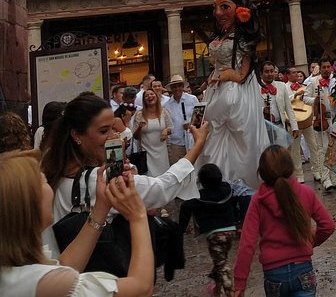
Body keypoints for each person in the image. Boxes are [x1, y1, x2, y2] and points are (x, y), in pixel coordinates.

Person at [40, 92, 210, 258]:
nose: (113, 137)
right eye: (103, 131)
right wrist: (198, 145)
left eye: (113, 129)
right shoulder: (96, 181)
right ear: (77, 135)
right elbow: (161, 188)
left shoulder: (54, 167)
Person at [0, 149, 154, 297]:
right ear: (27, 205)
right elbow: (141, 289)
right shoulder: (44, 281)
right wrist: (137, 216)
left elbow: (64, 266)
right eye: (44, 180)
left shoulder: (14, 272)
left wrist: (102, 206)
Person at [233, 146, 335, 297]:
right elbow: (328, 225)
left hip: (274, 274)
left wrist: (240, 283)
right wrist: (310, 240)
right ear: (290, 166)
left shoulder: (258, 200)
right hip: (303, 270)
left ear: (262, 172)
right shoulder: (306, 192)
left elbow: (247, 244)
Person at [196, 0, 270, 190]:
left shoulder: (244, 39)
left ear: (240, 10)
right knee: (213, 137)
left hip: (236, 92)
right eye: (215, 7)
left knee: (241, 139)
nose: (218, 12)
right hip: (216, 91)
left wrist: (227, 74)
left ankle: (243, 186)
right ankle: (216, 184)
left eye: (224, 7)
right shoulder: (222, 36)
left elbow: (241, 74)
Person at [179, 164, 245, 297]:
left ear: (202, 181)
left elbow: (185, 206)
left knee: (222, 264)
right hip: (230, 231)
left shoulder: (199, 197)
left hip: (214, 235)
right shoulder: (226, 189)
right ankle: (216, 288)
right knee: (221, 259)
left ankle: (230, 292)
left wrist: (181, 227)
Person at [303, 57, 336, 191]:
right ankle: (326, 179)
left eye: (328, 67)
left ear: (331, 67)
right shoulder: (313, 81)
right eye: (323, 67)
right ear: (320, 68)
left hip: (335, 119)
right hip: (321, 118)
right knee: (322, 149)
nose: (326, 69)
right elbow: (304, 97)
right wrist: (315, 99)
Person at [259, 61, 301, 180]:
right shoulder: (256, 88)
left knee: (282, 157)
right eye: (266, 71)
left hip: (280, 127)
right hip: (264, 129)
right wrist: (263, 110)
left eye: (271, 71)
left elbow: (289, 108)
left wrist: (294, 126)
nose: (269, 74)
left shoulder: (281, 86)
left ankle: (285, 181)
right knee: (268, 157)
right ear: (261, 73)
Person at [132, 88, 173, 177]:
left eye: (152, 94)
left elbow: (171, 127)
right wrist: (139, 128)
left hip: (162, 153)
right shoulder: (139, 114)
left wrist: (166, 130)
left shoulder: (164, 112)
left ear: (156, 96)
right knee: (150, 178)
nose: (149, 97)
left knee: (164, 177)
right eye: (146, 96)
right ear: (144, 100)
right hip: (146, 153)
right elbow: (135, 136)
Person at [163, 74, 200, 165]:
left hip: (192, 139)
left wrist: (191, 124)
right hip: (176, 141)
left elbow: (200, 117)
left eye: (179, 86)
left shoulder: (192, 99)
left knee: (194, 165)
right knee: (177, 167)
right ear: (171, 89)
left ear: (183, 87)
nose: (177, 89)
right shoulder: (166, 105)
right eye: (174, 87)